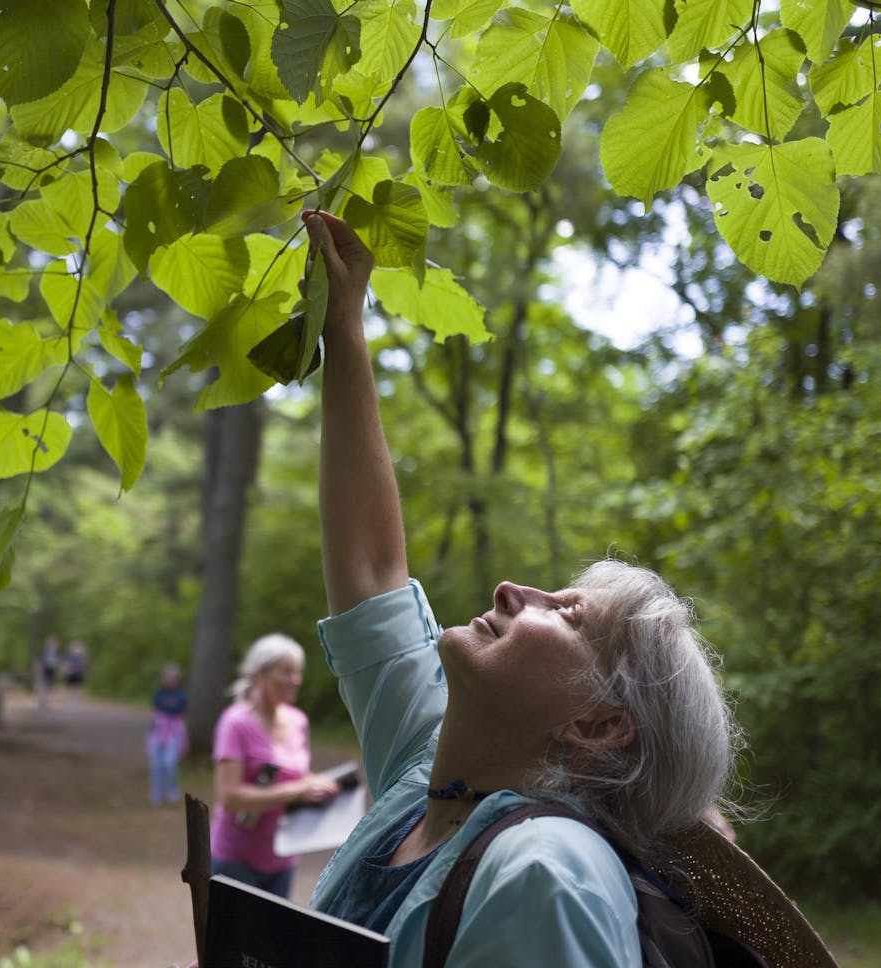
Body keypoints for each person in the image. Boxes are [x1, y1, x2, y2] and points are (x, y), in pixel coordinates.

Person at [300, 209, 742, 965]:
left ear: (599, 726)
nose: (512, 591)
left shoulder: (545, 876)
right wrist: (343, 322)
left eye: (566, 613)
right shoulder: (430, 776)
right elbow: (372, 569)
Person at [210, 633, 342, 899]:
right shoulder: (235, 723)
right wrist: (298, 790)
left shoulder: (298, 721)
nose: (296, 680)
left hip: (283, 858)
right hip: (236, 860)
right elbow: (230, 797)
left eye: (298, 673)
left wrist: (319, 784)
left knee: (272, 941)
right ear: (260, 674)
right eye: (287, 672)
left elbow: (296, 777)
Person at [147, 663, 190, 804]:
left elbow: (184, 714)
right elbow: (154, 713)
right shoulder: (158, 694)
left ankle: (172, 793)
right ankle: (156, 795)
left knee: (170, 763)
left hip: (174, 732)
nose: (169, 680)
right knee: (156, 764)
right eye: (166, 677)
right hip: (158, 731)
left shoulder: (181, 696)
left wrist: (181, 733)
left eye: (172, 678)